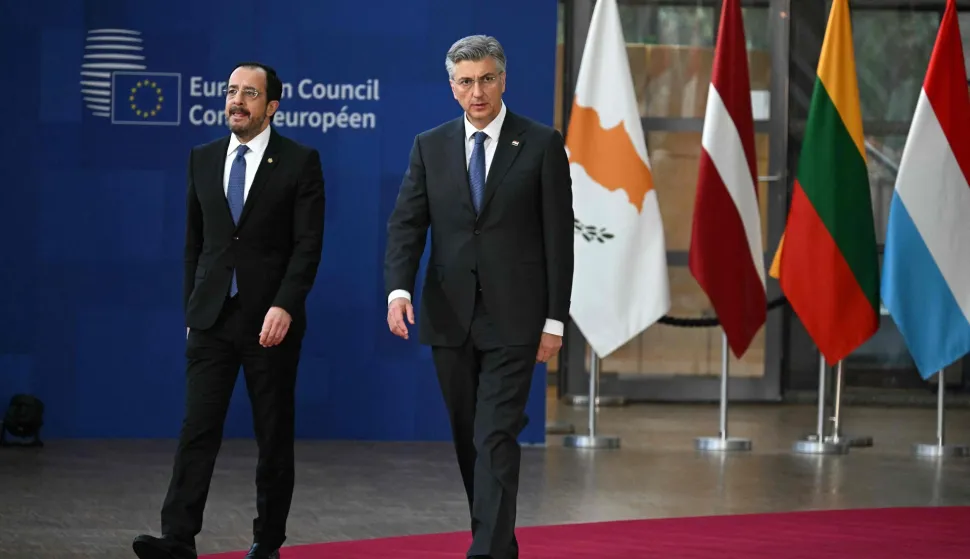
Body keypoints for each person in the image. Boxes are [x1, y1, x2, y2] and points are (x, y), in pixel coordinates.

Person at [383, 35, 574, 559]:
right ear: (452, 87)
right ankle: (497, 541)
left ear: (503, 79)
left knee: (494, 435)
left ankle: (485, 550)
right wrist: (398, 288)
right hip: (449, 316)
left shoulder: (540, 143)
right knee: (471, 438)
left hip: (516, 319)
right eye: (465, 82)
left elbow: (559, 238)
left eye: (486, 78)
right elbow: (407, 226)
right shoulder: (430, 145)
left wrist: (555, 320)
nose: (477, 91)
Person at [132, 62, 326, 559]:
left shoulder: (300, 161)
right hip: (212, 318)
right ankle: (177, 537)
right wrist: (191, 312)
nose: (236, 101)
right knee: (197, 429)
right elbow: (194, 245)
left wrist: (285, 304)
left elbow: (308, 246)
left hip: (270, 322)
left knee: (273, 435)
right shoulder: (202, 157)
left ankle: (268, 541)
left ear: (272, 106)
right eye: (231, 92)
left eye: (249, 94)